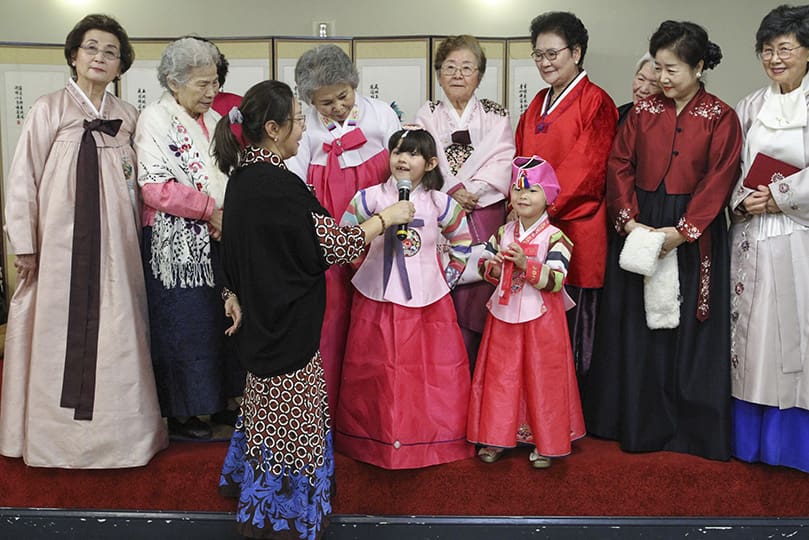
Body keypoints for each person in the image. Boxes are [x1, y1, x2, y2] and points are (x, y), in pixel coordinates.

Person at [212, 80, 413, 539]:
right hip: (289, 327)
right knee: (294, 423)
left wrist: (232, 294)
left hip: (260, 321)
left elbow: (233, 251)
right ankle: (282, 521)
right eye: (299, 122)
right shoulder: (280, 186)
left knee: (266, 414)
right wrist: (385, 220)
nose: (305, 131)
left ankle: (262, 503)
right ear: (273, 128)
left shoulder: (242, 179)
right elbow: (333, 245)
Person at [0, 14, 167, 468]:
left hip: (118, 249)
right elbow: (23, 179)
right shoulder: (48, 108)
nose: (100, 57)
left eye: (111, 52)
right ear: (74, 56)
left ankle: (122, 438)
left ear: (121, 66)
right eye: (91, 48)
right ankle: (55, 439)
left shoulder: (128, 117)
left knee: (118, 330)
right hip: (59, 248)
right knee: (58, 331)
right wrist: (26, 244)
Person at [585, 21, 742, 461]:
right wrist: (628, 221)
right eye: (658, 67)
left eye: (672, 69)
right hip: (641, 222)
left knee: (693, 323)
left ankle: (692, 432)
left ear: (697, 66)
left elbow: (720, 178)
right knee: (638, 322)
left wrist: (683, 232)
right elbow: (619, 164)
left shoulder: (721, 116)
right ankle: (639, 423)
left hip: (695, 229)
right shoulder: (642, 112)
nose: (662, 78)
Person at [334, 128, 475, 469]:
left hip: (430, 303)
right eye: (397, 151)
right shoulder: (368, 198)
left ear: (429, 163)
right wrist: (360, 270)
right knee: (374, 371)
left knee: (431, 374)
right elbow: (346, 235)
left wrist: (448, 277)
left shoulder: (442, 203)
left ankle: (432, 440)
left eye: (412, 154)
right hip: (375, 301)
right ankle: (371, 440)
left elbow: (462, 240)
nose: (402, 159)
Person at [134, 37, 243, 440]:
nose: (211, 92)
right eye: (201, 84)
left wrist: (225, 214)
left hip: (216, 237)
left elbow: (227, 175)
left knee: (218, 321)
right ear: (174, 83)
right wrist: (208, 210)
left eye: (213, 82)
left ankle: (215, 404)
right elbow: (153, 186)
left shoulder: (214, 122)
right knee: (184, 324)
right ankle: (182, 413)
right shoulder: (155, 119)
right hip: (175, 243)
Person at [286, 44, 401, 421]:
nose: (337, 107)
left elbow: (404, 164)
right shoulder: (304, 129)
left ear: (353, 84)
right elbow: (296, 181)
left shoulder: (381, 114)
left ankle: (374, 415)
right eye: (325, 103)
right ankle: (328, 414)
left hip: (380, 227)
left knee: (376, 315)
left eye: (342, 96)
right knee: (331, 318)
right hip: (328, 231)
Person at [514, 11, 618, 380]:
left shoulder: (596, 102)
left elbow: (587, 168)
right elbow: (521, 161)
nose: (545, 63)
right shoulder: (537, 101)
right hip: (534, 223)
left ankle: (567, 414)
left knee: (572, 322)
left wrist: (540, 205)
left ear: (576, 52)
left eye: (552, 53)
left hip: (576, 227)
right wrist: (525, 206)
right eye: (538, 54)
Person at [729, 4, 809, 473]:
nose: (775, 58)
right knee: (754, 339)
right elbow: (732, 169)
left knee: (797, 336)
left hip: (800, 237)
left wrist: (780, 194)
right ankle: (751, 444)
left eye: (785, 48)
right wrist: (744, 200)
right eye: (766, 50)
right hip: (754, 236)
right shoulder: (750, 106)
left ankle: (794, 447)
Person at [467, 156, 585, 469]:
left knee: (542, 377)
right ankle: (495, 436)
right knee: (500, 375)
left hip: (543, 319)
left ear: (548, 196)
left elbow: (557, 279)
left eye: (532, 190)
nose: (523, 196)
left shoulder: (556, 238)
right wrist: (497, 266)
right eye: (518, 190)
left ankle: (546, 441)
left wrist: (525, 265)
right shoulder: (502, 232)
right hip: (503, 315)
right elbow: (483, 266)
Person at [415, 35, 515, 370]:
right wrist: (453, 189)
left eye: (467, 68)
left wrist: (472, 192)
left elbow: (503, 160)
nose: (458, 74)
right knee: (444, 291)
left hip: (483, 212)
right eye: (450, 67)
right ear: (439, 73)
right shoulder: (427, 113)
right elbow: (426, 157)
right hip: (441, 212)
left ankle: (479, 377)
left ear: (480, 75)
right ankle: (446, 379)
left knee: (480, 294)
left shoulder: (495, 114)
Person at [617, 53, 661, 124]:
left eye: (654, 84)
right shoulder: (618, 114)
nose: (643, 90)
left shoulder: (668, 124)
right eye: (641, 79)